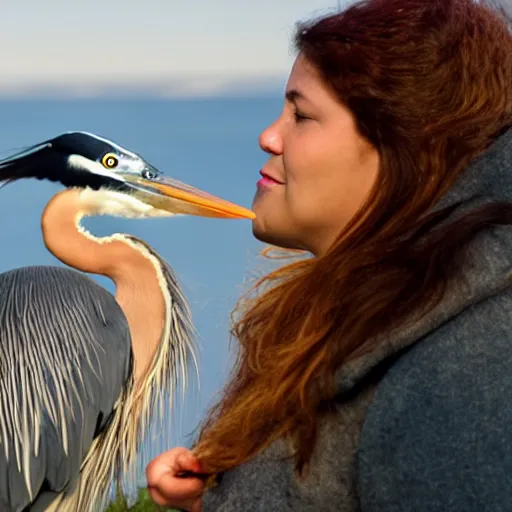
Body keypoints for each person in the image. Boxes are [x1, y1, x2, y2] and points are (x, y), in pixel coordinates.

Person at [146, 0, 512, 510]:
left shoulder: (462, 377)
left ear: (400, 148)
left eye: (301, 114)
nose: (269, 136)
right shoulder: (380, 319)